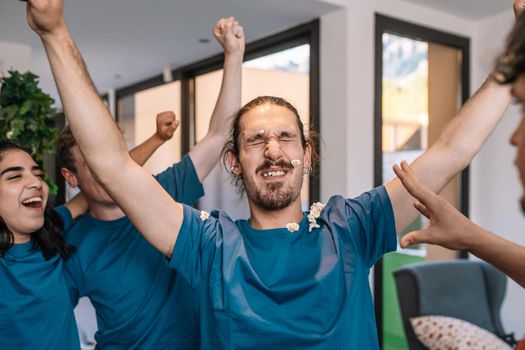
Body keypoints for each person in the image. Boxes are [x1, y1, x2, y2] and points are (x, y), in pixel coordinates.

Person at [25, 0, 513, 348]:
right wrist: (54, 32)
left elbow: (453, 150)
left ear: (307, 153)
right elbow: (109, 164)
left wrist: (518, 52)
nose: (273, 150)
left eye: (285, 138)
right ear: (235, 161)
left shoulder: (353, 227)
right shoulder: (208, 244)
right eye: (256, 141)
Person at [53, 17, 244, 349]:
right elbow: (51, 317)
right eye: (92, 164)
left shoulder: (160, 194)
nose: (106, 169)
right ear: (71, 177)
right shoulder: (72, 241)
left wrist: (234, 55)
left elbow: (217, 138)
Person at [391, 0, 525, 290]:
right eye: (263, 137)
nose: (513, 137)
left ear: (309, 150)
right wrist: (469, 235)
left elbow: (452, 150)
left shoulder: (343, 225)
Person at [0, 141, 79, 349]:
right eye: (15, 176)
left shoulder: (54, 227)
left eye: (38, 174)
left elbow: (106, 184)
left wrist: (157, 138)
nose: (35, 182)